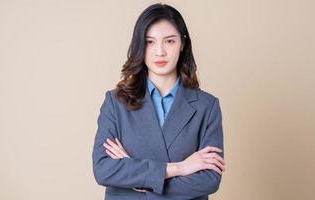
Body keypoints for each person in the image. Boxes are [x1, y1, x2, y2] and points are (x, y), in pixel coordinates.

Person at [92, 3, 226, 200]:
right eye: (149, 42)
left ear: (182, 43)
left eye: (169, 41)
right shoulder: (116, 102)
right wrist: (180, 168)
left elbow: (209, 179)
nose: (160, 52)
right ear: (140, 45)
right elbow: (103, 169)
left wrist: (138, 178)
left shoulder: (207, 106)